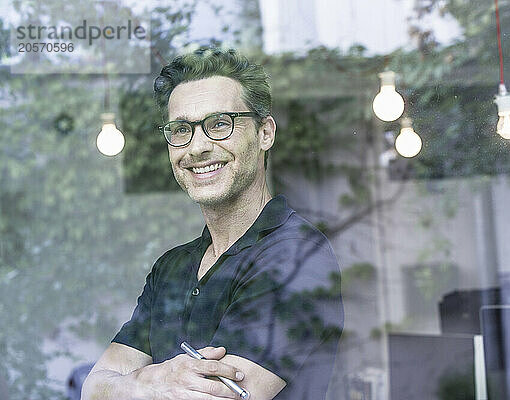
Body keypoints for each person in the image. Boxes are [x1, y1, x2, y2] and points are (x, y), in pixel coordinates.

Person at [82, 47, 344, 400]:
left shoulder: (297, 256)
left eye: (219, 124)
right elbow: (93, 387)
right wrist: (154, 382)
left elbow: (218, 398)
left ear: (265, 133)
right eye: (180, 130)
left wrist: (130, 385)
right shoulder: (171, 268)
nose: (198, 147)